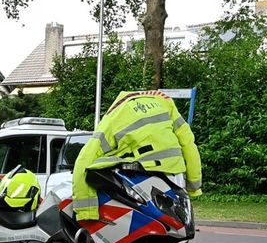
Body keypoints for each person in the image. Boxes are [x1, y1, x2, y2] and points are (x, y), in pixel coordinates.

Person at [70, 89, 202, 220]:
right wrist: (193, 187)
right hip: (175, 174)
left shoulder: (114, 115)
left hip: (142, 175)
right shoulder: (165, 102)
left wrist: (86, 212)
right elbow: (189, 145)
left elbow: (84, 159)